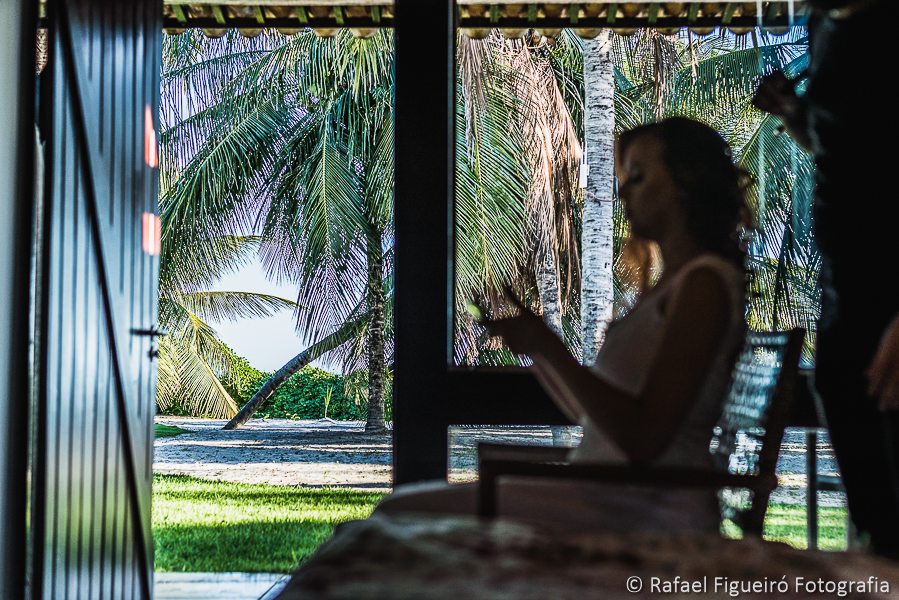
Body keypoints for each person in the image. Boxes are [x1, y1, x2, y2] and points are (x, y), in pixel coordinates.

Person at [377, 118, 754, 531]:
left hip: (642, 509)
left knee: (400, 516)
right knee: (401, 512)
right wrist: (539, 347)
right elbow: (590, 415)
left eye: (639, 176)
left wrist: (548, 345)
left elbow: (644, 437)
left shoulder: (704, 286)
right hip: (606, 494)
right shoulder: (675, 286)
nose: (623, 191)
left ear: (688, 183)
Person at [752, 0, 899, 558]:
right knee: (874, 519)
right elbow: (842, 148)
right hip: (846, 292)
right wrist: (793, 112)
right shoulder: (824, 27)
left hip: (890, 303)